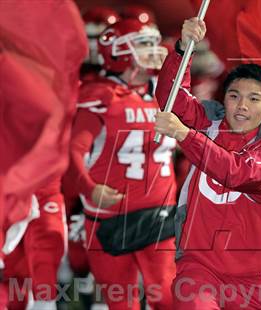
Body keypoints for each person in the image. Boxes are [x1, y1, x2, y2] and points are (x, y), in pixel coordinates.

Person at [154, 17, 261, 309]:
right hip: (200, 267)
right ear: (224, 99)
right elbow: (172, 100)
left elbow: (238, 172)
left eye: (254, 99)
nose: (241, 105)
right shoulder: (212, 121)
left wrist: (184, 134)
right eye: (234, 96)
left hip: (256, 277)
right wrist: (183, 50)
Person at [69, 18, 175, 310]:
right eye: (143, 43)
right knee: (121, 303)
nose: (153, 49)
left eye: (153, 42)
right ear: (117, 51)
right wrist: (89, 189)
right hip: (110, 216)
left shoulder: (167, 91)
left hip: (159, 213)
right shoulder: (101, 95)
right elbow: (74, 151)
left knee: (166, 298)